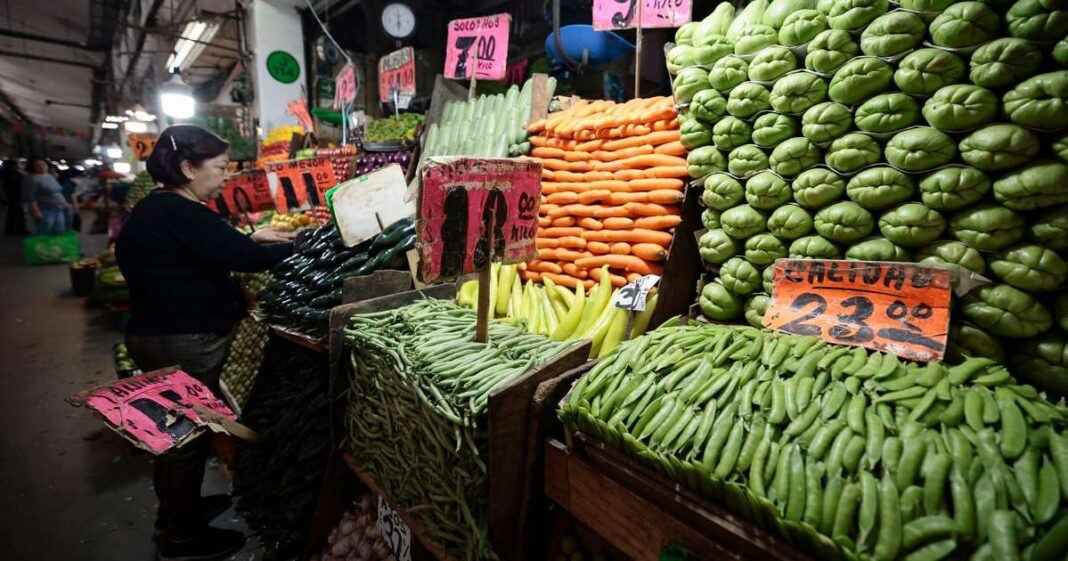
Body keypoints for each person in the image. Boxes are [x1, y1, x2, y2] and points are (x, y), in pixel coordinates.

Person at [116, 125, 296, 561]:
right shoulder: (182, 212)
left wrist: (250, 240)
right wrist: (301, 245)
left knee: (173, 432)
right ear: (187, 168)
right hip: (182, 340)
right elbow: (244, 258)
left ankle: (179, 513)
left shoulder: (157, 209)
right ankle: (183, 539)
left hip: (157, 333)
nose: (225, 177)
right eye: (218, 168)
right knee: (186, 438)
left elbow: (209, 250)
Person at [24, 158, 70, 235]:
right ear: (33, 167)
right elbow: (31, 197)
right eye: (38, 166)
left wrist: (64, 202)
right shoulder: (32, 179)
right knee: (45, 232)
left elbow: (57, 191)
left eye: (44, 164)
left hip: (58, 208)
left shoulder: (50, 176)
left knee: (59, 230)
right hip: (44, 209)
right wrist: (36, 211)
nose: (42, 167)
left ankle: (56, 247)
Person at [3, 159, 29, 235]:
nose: (18, 166)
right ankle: (16, 228)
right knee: (16, 212)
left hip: (15, 195)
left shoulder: (12, 173)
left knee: (14, 212)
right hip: (14, 195)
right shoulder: (11, 174)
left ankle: (13, 228)